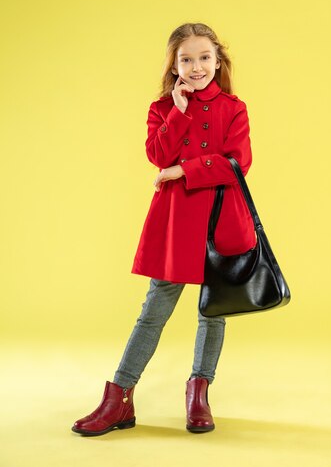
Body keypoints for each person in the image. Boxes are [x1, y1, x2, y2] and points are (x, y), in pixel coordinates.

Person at [71, 22, 257, 436]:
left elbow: (236, 164)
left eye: (204, 57)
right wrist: (180, 110)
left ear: (218, 61)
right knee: (154, 311)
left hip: (220, 219)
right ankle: (119, 397)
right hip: (176, 222)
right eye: (186, 59)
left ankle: (198, 394)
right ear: (174, 66)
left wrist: (182, 170)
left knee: (213, 312)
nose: (197, 67)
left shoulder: (235, 107)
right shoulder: (162, 109)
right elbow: (157, 153)